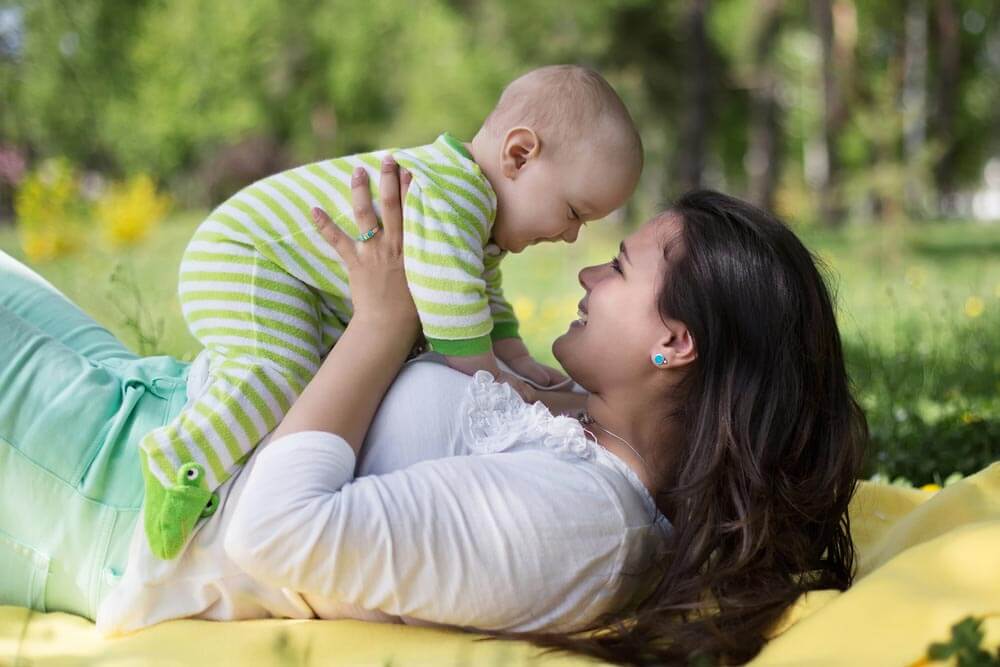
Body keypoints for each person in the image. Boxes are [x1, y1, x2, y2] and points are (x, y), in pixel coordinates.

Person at [0, 161, 866, 665]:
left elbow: (274, 531)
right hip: (132, 409)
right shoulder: (578, 429)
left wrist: (382, 325)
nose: (588, 276)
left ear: (674, 343)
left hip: (100, 495)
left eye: (621, 268)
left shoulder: (586, 525)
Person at [140, 64, 645, 559]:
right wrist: (498, 382)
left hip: (284, 271)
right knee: (281, 369)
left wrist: (514, 354)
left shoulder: (475, 208)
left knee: (310, 380)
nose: (572, 235)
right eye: (574, 212)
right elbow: (454, 313)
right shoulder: (453, 195)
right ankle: (183, 459)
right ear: (519, 155)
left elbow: (480, 293)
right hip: (246, 257)